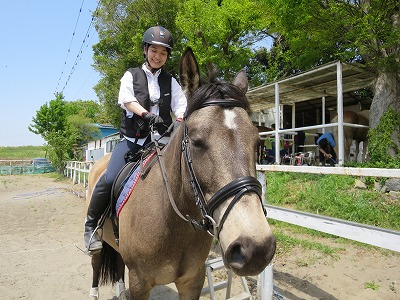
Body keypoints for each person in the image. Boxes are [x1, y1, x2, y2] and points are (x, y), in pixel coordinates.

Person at [84, 26, 187, 253]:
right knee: (110, 178)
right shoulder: (131, 75)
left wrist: (179, 120)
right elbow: (128, 100)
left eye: (163, 53)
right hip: (133, 141)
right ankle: (90, 226)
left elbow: (182, 106)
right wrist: (146, 114)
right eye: (154, 51)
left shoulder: (171, 81)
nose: (158, 56)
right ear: (146, 50)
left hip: (161, 142)